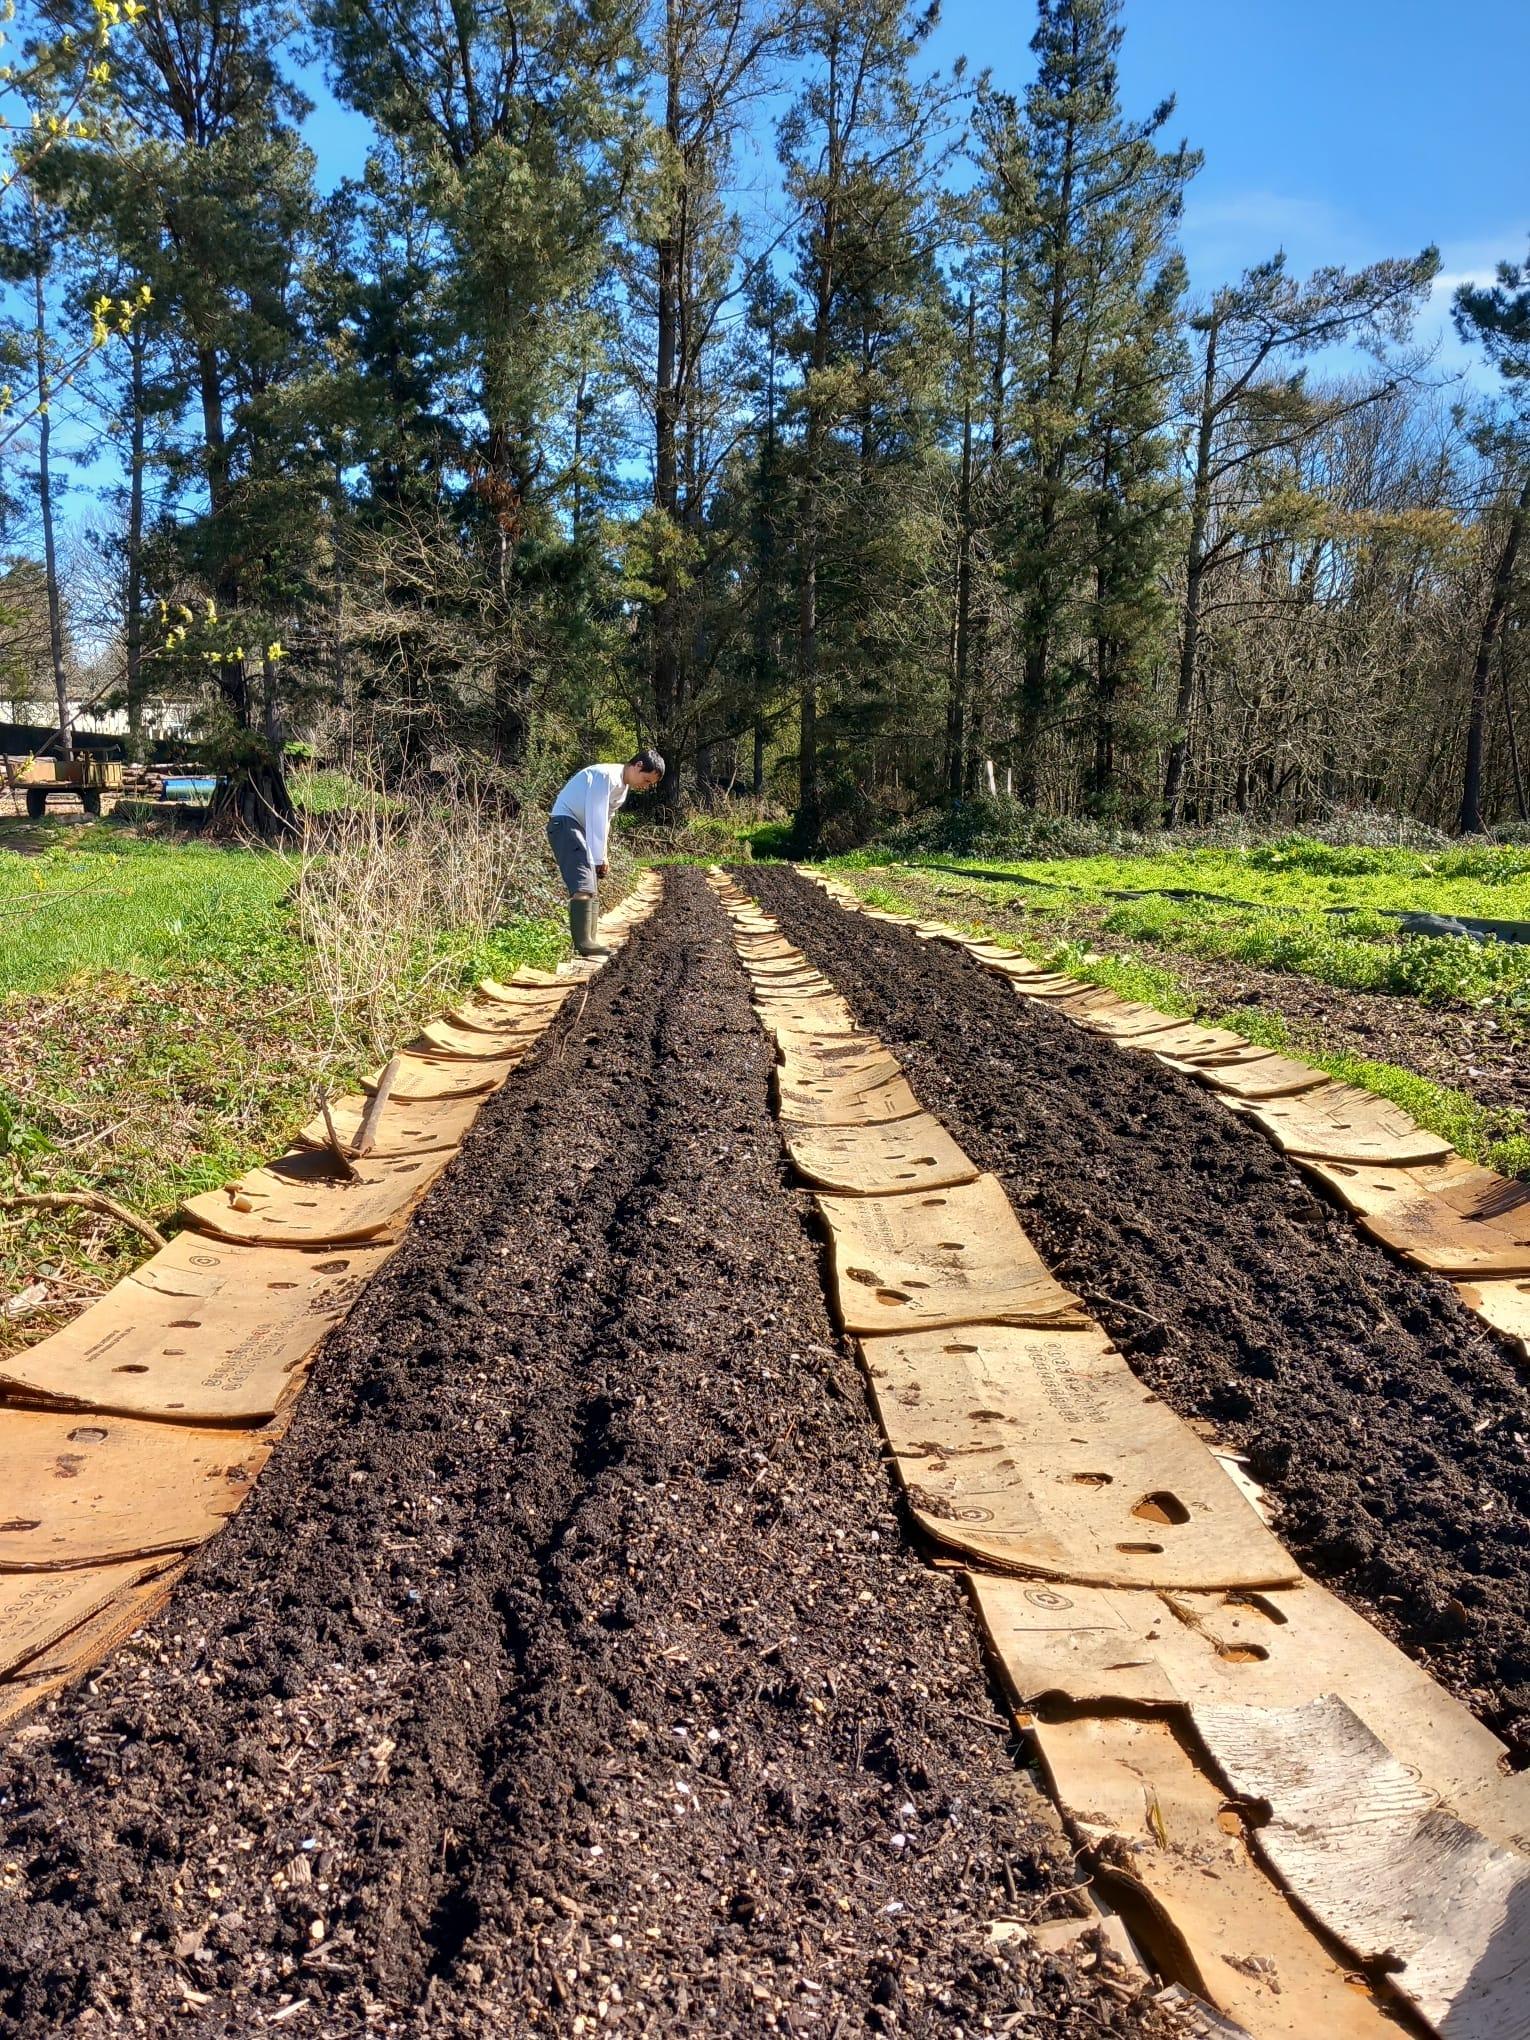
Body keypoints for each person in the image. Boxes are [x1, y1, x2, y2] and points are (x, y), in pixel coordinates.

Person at [547, 750, 665, 957]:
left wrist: (604, 855)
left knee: (590, 885)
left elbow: (606, 821)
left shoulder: (622, 788)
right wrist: (598, 856)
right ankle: (584, 943)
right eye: (646, 780)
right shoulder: (606, 776)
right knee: (583, 884)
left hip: (580, 829)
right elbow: (596, 816)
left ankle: (590, 939)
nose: (645, 786)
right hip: (565, 823)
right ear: (637, 765)